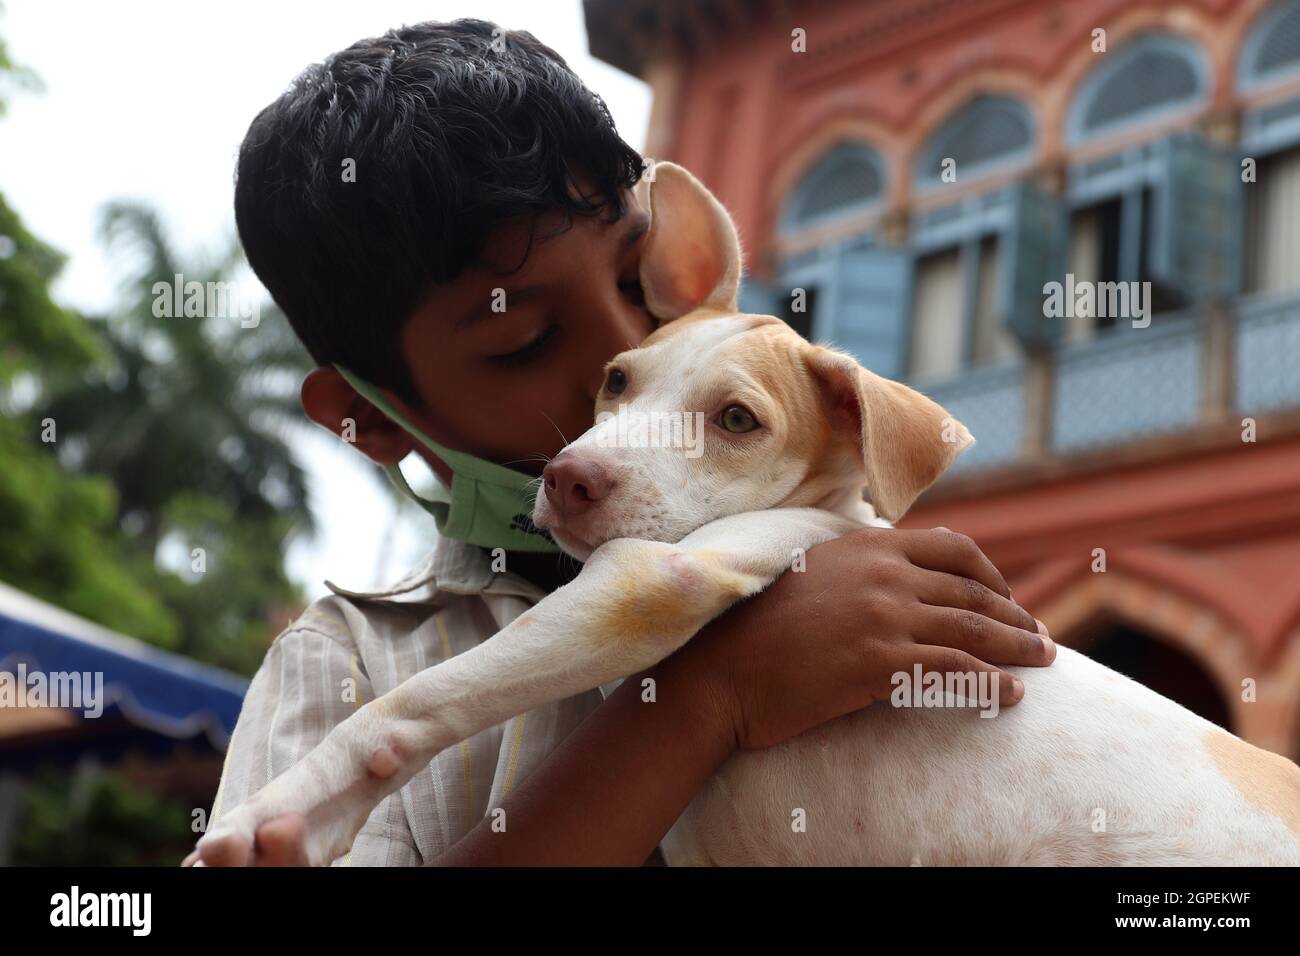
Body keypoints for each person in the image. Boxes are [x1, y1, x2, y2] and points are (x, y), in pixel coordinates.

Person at [192, 18, 1055, 867]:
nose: (626, 350)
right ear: (369, 416)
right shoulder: (350, 661)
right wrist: (707, 702)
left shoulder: (853, 587)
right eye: (523, 341)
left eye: (638, 281)